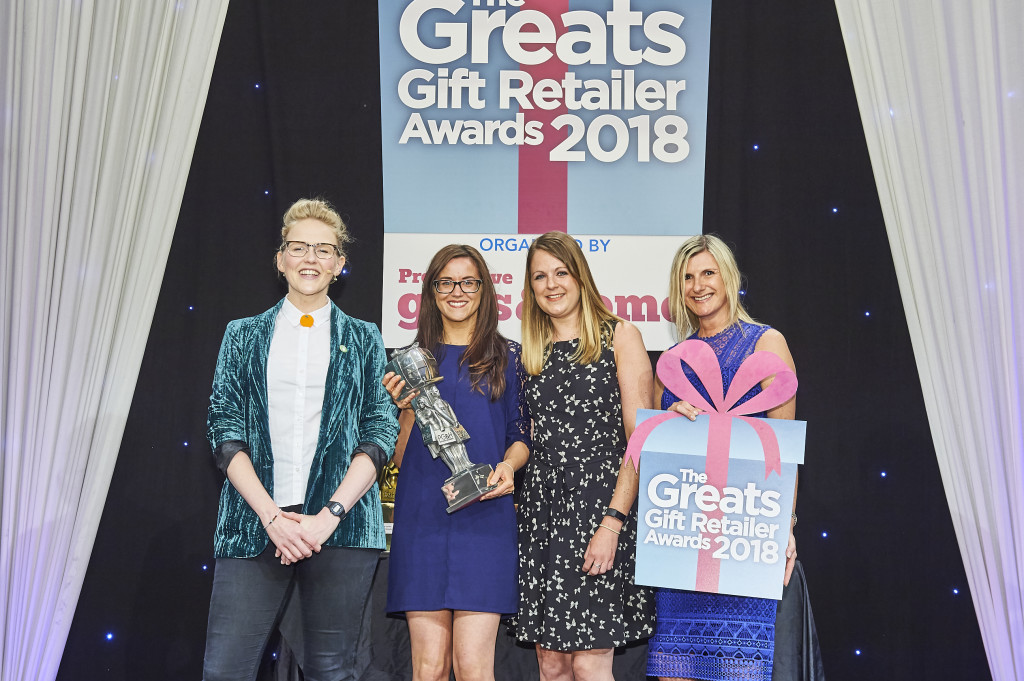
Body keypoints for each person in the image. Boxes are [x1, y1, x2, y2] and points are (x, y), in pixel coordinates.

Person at [203, 198, 399, 681]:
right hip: (254, 524)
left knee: (334, 671)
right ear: (280, 258)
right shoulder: (242, 335)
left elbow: (379, 430)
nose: (310, 258)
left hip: (341, 527)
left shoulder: (365, 337)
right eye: (299, 247)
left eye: (324, 249)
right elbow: (223, 428)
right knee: (225, 670)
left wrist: (327, 517)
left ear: (340, 263)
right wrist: (273, 518)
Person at [646, 234, 798, 681]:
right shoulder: (671, 361)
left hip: (742, 539)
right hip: (680, 546)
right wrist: (668, 418)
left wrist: (783, 525)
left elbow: (783, 447)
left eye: (708, 273)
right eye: (687, 277)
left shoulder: (766, 343)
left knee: (736, 673)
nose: (698, 285)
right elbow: (654, 451)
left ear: (728, 278)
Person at [382, 245, 531, 681]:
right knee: (427, 668)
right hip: (421, 517)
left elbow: (520, 436)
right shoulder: (405, 361)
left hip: (485, 518)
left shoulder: (510, 357)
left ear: (484, 291)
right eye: (446, 282)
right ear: (431, 291)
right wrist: (405, 408)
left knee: (473, 667)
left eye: (468, 282)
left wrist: (509, 468)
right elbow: (395, 454)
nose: (457, 292)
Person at [516, 231, 655, 681]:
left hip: (600, 512)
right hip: (542, 516)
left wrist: (613, 522)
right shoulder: (527, 353)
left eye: (561, 272)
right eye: (540, 276)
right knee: (551, 666)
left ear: (580, 276)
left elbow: (641, 442)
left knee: (591, 666)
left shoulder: (621, 336)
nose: (551, 284)